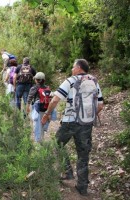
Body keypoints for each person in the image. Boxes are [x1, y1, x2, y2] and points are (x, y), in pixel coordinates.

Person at [41, 59, 104, 196]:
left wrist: (47, 114)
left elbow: (55, 99)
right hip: (86, 124)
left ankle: (68, 172)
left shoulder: (70, 81)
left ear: (78, 68)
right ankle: (82, 187)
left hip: (70, 122)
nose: (71, 69)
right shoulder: (94, 82)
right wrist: (88, 117)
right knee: (83, 154)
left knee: (58, 144)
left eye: (73, 67)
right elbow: (100, 105)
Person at [26, 72, 56, 142]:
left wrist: (27, 107)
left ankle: (39, 143)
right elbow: (50, 99)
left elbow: (29, 98)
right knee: (42, 125)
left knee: (37, 125)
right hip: (46, 110)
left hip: (37, 110)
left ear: (36, 80)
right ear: (44, 80)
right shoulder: (48, 88)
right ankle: (41, 140)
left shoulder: (34, 88)